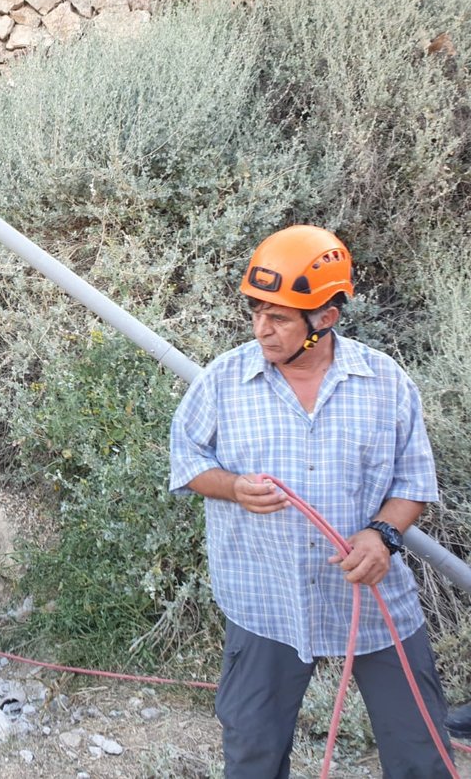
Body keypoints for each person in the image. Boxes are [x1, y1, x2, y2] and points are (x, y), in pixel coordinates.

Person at [169, 225, 454, 778]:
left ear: (324, 317)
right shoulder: (224, 380)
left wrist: (382, 535)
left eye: (278, 317)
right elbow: (188, 460)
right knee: (251, 752)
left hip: (372, 603)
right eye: (255, 312)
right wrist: (232, 487)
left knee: (423, 753)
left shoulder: (384, 383)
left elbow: (414, 482)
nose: (261, 330)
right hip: (263, 598)